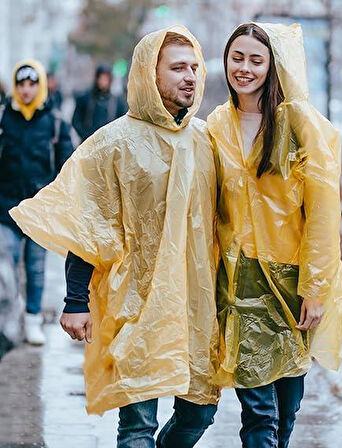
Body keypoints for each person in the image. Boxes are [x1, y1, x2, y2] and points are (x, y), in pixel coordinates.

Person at [10, 26, 219, 448]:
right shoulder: (113, 144)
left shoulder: (204, 141)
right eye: (178, 67)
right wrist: (75, 301)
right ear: (149, 73)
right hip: (134, 305)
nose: (190, 76)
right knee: (138, 425)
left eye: (195, 67)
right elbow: (90, 226)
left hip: (194, 305)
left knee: (200, 411)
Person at [207, 22, 342, 447]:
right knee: (259, 411)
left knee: (288, 406)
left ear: (272, 66)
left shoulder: (301, 124)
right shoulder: (216, 124)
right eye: (237, 57)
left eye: (255, 59)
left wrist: (315, 287)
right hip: (238, 279)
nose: (244, 68)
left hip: (291, 278)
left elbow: (323, 212)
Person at [0, 60, 73, 345]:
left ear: (40, 85)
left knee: (35, 269)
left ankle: (32, 319)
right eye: (21, 84)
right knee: (7, 263)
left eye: (32, 84)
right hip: (6, 210)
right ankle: (12, 312)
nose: (26, 90)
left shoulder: (54, 122)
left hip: (39, 212)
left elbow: (68, 166)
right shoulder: (4, 120)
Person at [72, 63, 127, 142]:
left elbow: (122, 123)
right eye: (101, 78)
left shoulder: (117, 102)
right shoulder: (85, 98)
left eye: (106, 79)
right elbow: (76, 120)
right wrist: (85, 136)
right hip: (88, 143)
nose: (103, 81)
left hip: (108, 144)